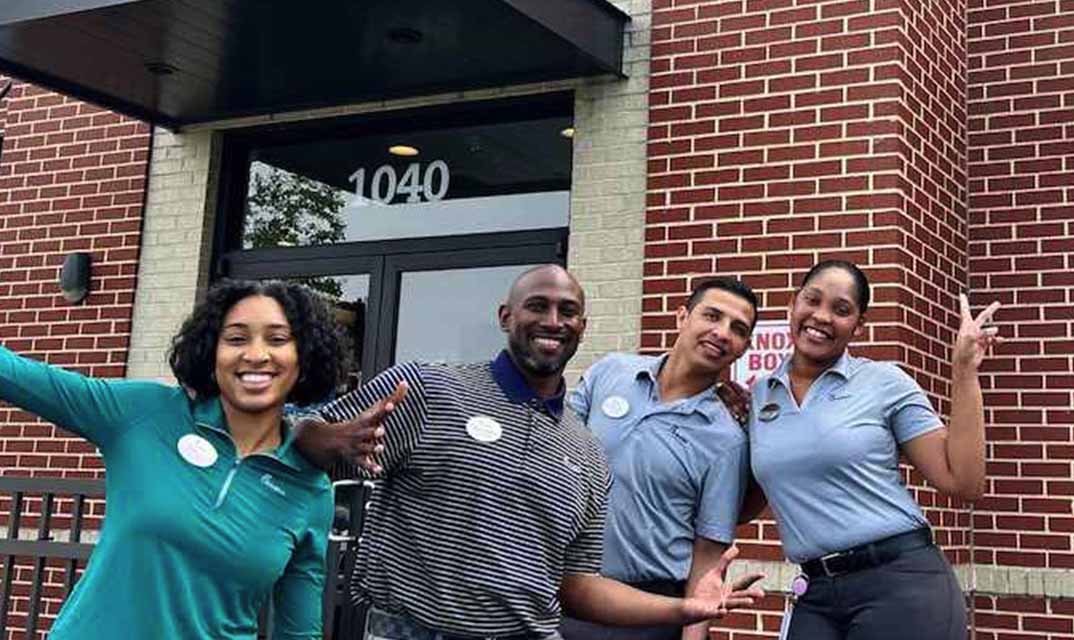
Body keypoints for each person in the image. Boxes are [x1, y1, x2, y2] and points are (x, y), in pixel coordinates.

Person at [296, 264, 764, 640]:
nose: (553, 322)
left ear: (582, 326)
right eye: (538, 306)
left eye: (567, 311)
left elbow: (576, 583)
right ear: (505, 316)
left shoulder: (585, 450)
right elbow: (302, 443)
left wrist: (684, 610)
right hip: (410, 627)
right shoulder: (429, 389)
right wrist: (323, 440)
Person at [0, 280, 347, 639]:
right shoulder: (144, 413)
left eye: (277, 339)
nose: (256, 354)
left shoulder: (310, 491)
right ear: (212, 352)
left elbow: (299, 632)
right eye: (236, 339)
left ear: (303, 358)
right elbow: (16, 376)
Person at [748, 260, 1000, 640]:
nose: (821, 316)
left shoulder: (884, 382)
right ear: (792, 304)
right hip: (815, 592)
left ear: (858, 326)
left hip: (900, 582)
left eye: (841, 309)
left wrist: (964, 370)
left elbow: (963, 481)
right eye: (812, 300)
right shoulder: (757, 397)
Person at [560, 277, 761, 640]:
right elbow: (553, 451)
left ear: (744, 347)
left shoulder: (727, 439)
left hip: (650, 613)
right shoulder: (610, 372)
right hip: (566, 596)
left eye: (737, 329)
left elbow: (709, 550)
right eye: (711, 316)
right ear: (682, 316)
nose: (721, 332)